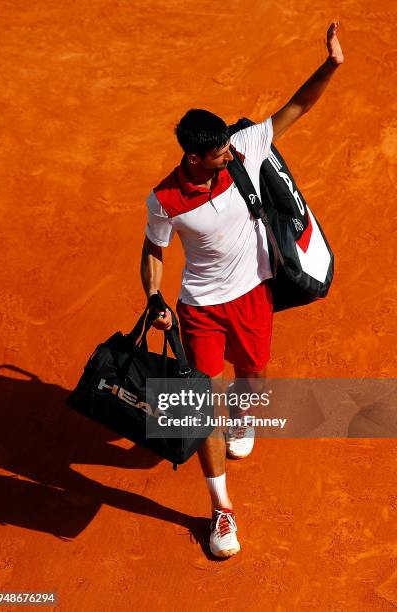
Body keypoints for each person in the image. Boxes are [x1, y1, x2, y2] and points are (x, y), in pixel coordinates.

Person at [140, 22, 344, 558]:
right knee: (204, 405)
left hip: (254, 294)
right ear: (193, 157)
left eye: (229, 147)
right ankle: (221, 511)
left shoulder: (244, 148)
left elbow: (296, 107)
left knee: (252, 374)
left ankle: (246, 415)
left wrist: (330, 65)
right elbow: (153, 252)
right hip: (200, 307)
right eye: (218, 154)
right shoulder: (164, 200)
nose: (229, 154)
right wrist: (155, 299)